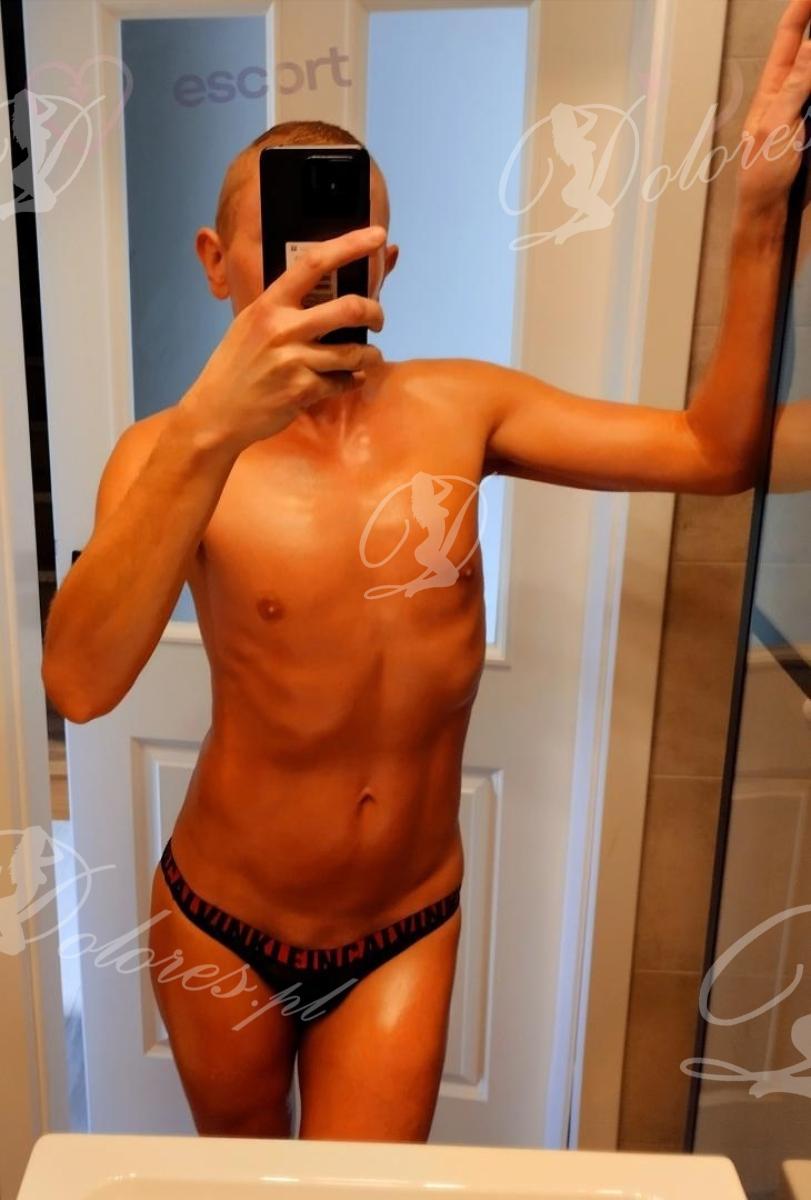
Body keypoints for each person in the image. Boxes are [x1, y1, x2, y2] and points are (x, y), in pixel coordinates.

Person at [41, 0, 811, 1143]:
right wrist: (211, 425)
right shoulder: (167, 453)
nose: (320, 268)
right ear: (215, 263)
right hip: (220, 924)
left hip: (402, 928)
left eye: (348, 244)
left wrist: (757, 213)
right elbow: (79, 681)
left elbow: (714, 451)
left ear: (384, 263)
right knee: (245, 1183)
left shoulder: (461, 408)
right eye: (289, 243)